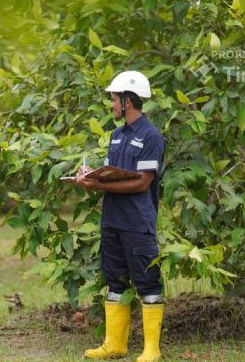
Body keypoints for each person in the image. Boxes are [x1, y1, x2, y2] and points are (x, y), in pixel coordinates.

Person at [75, 71, 166, 361]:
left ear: (128, 101)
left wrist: (99, 183)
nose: (112, 105)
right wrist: (89, 178)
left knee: (148, 283)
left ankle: (152, 349)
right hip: (112, 220)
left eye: (114, 100)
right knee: (115, 281)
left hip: (138, 223)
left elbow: (142, 182)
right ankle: (114, 344)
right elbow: (111, 177)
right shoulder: (116, 136)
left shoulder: (151, 136)